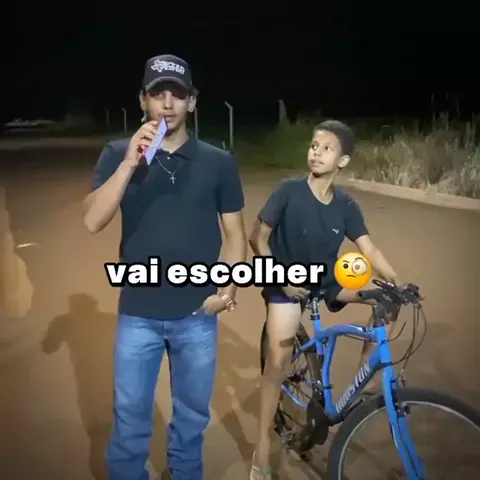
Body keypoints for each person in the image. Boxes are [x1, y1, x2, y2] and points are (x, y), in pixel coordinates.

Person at [83, 54, 247, 480]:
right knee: (130, 421)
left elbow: (235, 235)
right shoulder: (117, 153)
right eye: (158, 94)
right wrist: (129, 164)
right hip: (138, 313)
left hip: (197, 314)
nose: (168, 104)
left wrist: (228, 290)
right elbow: (92, 220)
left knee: (191, 421)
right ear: (143, 100)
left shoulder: (218, 161)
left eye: (177, 94)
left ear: (192, 101)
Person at [248, 120, 402, 479]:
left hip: (326, 279)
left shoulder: (345, 205)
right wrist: (281, 278)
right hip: (285, 281)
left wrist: (397, 280)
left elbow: (368, 248)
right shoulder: (289, 190)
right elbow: (258, 238)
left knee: (388, 299)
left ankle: (366, 383)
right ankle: (262, 450)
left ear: (342, 161)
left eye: (326, 148)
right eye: (313, 146)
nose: (316, 152)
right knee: (278, 363)